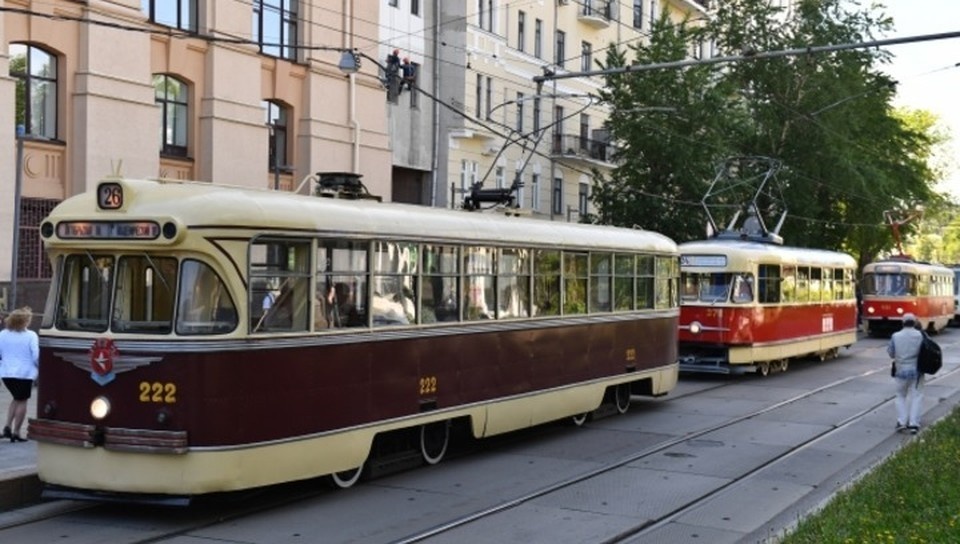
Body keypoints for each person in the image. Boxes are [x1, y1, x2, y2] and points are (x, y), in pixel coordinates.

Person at [0, 307, 40, 443]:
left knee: (16, 398)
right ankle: (16, 432)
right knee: (22, 401)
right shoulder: (31, 335)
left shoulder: (3, 334)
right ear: (25, 321)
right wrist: (40, 368)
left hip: (6, 373)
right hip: (24, 374)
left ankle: (7, 427)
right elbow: (36, 356)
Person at [887, 313, 924, 434]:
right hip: (916, 371)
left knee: (900, 396)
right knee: (916, 396)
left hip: (900, 370)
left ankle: (901, 422)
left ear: (902, 323)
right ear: (914, 323)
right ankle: (914, 424)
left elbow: (891, 353)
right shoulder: (920, 335)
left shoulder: (896, 336)